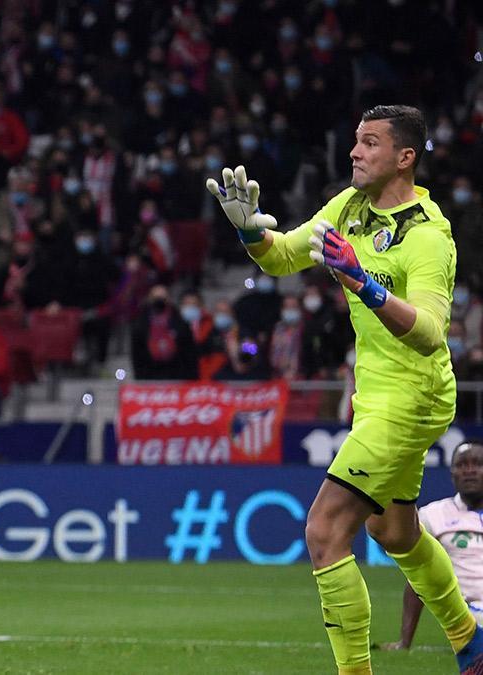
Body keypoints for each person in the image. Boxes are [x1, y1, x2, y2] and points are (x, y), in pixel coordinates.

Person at [206, 105, 483, 674]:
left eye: (370, 143)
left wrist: (364, 283)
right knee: (394, 531)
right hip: (376, 399)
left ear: (405, 158)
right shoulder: (349, 207)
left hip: (413, 396)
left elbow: (432, 334)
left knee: (325, 529)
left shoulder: (429, 236)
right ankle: (470, 640)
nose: (355, 152)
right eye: (356, 141)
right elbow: (284, 256)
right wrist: (248, 230)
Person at [380, 441, 483, 652]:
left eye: (478, 464)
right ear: (452, 472)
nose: (470, 470)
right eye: (462, 465)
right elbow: (417, 578)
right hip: (468, 616)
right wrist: (404, 642)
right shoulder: (432, 516)